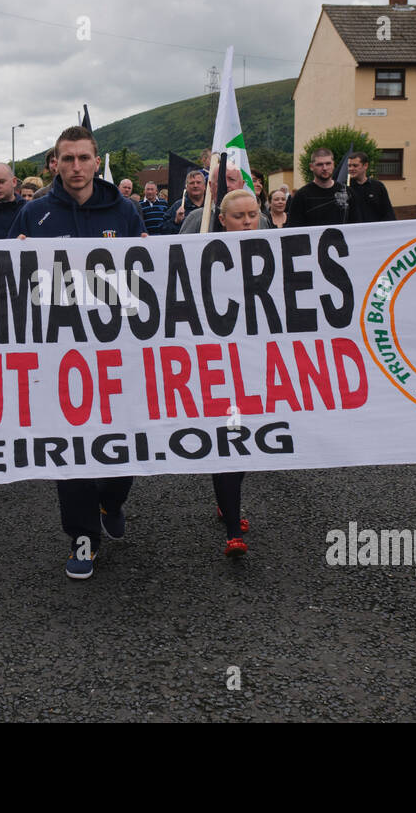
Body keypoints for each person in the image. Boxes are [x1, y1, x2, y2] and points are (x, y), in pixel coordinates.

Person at [8, 125, 144, 580]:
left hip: (115, 351)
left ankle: (114, 498)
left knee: (123, 441)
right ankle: (82, 536)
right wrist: (16, 257)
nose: (76, 167)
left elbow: (146, 279)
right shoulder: (34, 214)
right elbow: (7, 277)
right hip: (59, 353)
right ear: (54, 163)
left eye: (84, 158)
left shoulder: (124, 211)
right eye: (67, 159)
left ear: (95, 159)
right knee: (70, 450)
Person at [179, 187, 260, 556]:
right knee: (230, 438)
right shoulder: (202, 257)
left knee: (250, 439)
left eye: (252, 215)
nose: (247, 222)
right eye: (239, 216)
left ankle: (225, 503)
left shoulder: (275, 252)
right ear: (222, 219)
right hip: (217, 365)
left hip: (259, 363)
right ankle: (232, 526)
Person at [180, 157, 271, 233]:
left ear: (241, 184)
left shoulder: (260, 220)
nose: (226, 185)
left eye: (231, 179)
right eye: (220, 180)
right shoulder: (196, 219)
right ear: (211, 186)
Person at [287, 148, 348, 227]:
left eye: (328, 163)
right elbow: (294, 229)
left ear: (333, 164)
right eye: (320, 164)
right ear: (311, 166)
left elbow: (357, 225)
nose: (325, 168)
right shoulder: (301, 196)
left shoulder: (347, 192)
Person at [346, 151, 396, 223]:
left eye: (355, 165)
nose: (351, 169)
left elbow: (388, 213)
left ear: (365, 165)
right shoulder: (344, 187)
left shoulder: (378, 186)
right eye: (349, 165)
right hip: (353, 232)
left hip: (375, 232)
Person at [161, 168, 206, 234]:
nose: (195, 185)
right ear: (186, 187)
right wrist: (176, 221)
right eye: (192, 183)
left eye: (198, 182)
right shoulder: (177, 206)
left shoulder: (212, 206)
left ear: (204, 186)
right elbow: (163, 229)